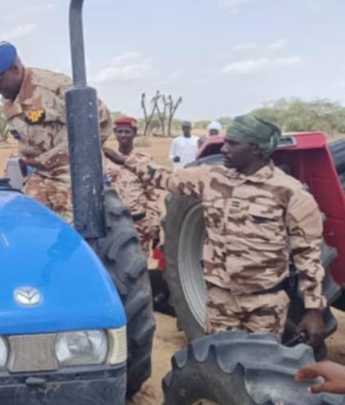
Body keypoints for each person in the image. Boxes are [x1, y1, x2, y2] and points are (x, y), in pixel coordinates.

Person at [104, 114, 326, 345]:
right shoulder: (211, 178)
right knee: (218, 362)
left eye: (233, 144)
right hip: (219, 299)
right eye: (225, 142)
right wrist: (125, 161)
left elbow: (308, 255)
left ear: (256, 150)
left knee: (260, 367)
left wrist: (314, 309)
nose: (224, 148)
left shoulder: (291, 193)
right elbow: (165, 178)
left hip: (264, 303)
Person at [0, 41, 111, 223]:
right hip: (41, 175)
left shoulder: (54, 88)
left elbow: (101, 121)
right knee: (23, 222)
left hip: (73, 176)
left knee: (71, 234)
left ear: (15, 69)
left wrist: (77, 157)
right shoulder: (9, 98)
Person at [104, 116, 161, 252]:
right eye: (119, 131)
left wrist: (154, 226)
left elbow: (151, 194)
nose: (123, 135)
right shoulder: (107, 159)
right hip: (113, 223)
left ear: (135, 133)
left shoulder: (144, 161)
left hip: (138, 223)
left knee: (138, 263)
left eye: (127, 132)